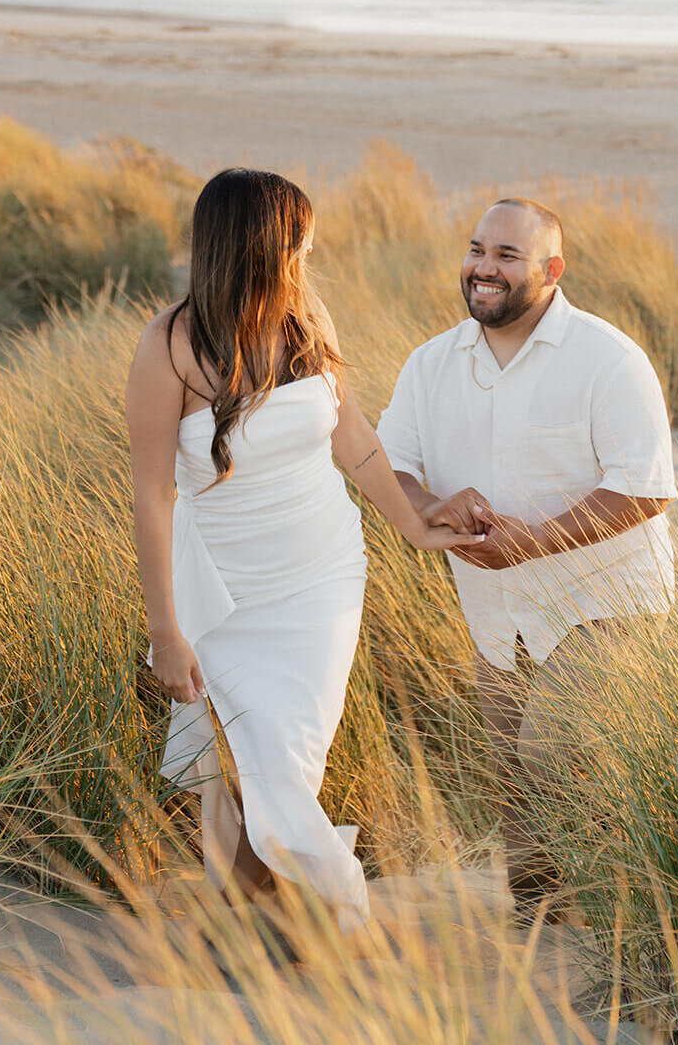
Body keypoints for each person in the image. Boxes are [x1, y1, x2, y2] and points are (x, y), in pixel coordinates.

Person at [126, 168, 484, 934]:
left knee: (289, 758)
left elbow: (351, 441)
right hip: (223, 586)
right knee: (251, 764)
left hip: (322, 572)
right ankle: (307, 917)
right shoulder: (168, 346)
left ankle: (264, 920)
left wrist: (415, 527)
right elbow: (151, 498)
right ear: (259, 243)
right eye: (300, 237)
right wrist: (165, 631)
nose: (311, 248)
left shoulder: (305, 317)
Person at [377, 196, 676, 915]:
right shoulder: (431, 363)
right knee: (512, 783)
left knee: (553, 753)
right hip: (495, 611)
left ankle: (630, 918)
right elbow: (389, 464)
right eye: (477, 249)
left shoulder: (607, 358)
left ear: (551, 270)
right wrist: (427, 509)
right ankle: (547, 933)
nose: (483, 268)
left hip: (604, 605)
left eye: (506, 256)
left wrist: (532, 543)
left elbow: (644, 490)